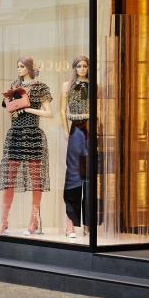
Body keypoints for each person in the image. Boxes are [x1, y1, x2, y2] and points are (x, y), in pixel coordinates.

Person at [0, 57, 53, 236]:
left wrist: (27, 108)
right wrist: (12, 105)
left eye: (22, 66)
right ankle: (4, 220)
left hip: (32, 133)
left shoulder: (40, 87)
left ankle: (34, 220)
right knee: (9, 177)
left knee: (35, 177)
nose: (19, 69)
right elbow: (9, 109)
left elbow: (48, 113)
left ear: (29, 68)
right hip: (15, 133)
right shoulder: (14, 85)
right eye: (17, 66)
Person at [61, 56, 90, 240]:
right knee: (73, 176)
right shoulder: (68, 85)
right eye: (79, 66)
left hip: (90, 130)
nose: (82, 68)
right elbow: (62, 110)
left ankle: (88, 224)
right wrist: (65, 130)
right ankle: (70, 223)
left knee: (88, 177)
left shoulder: (93, 85)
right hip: (75, 131)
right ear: (74, 67)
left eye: (85, 65)